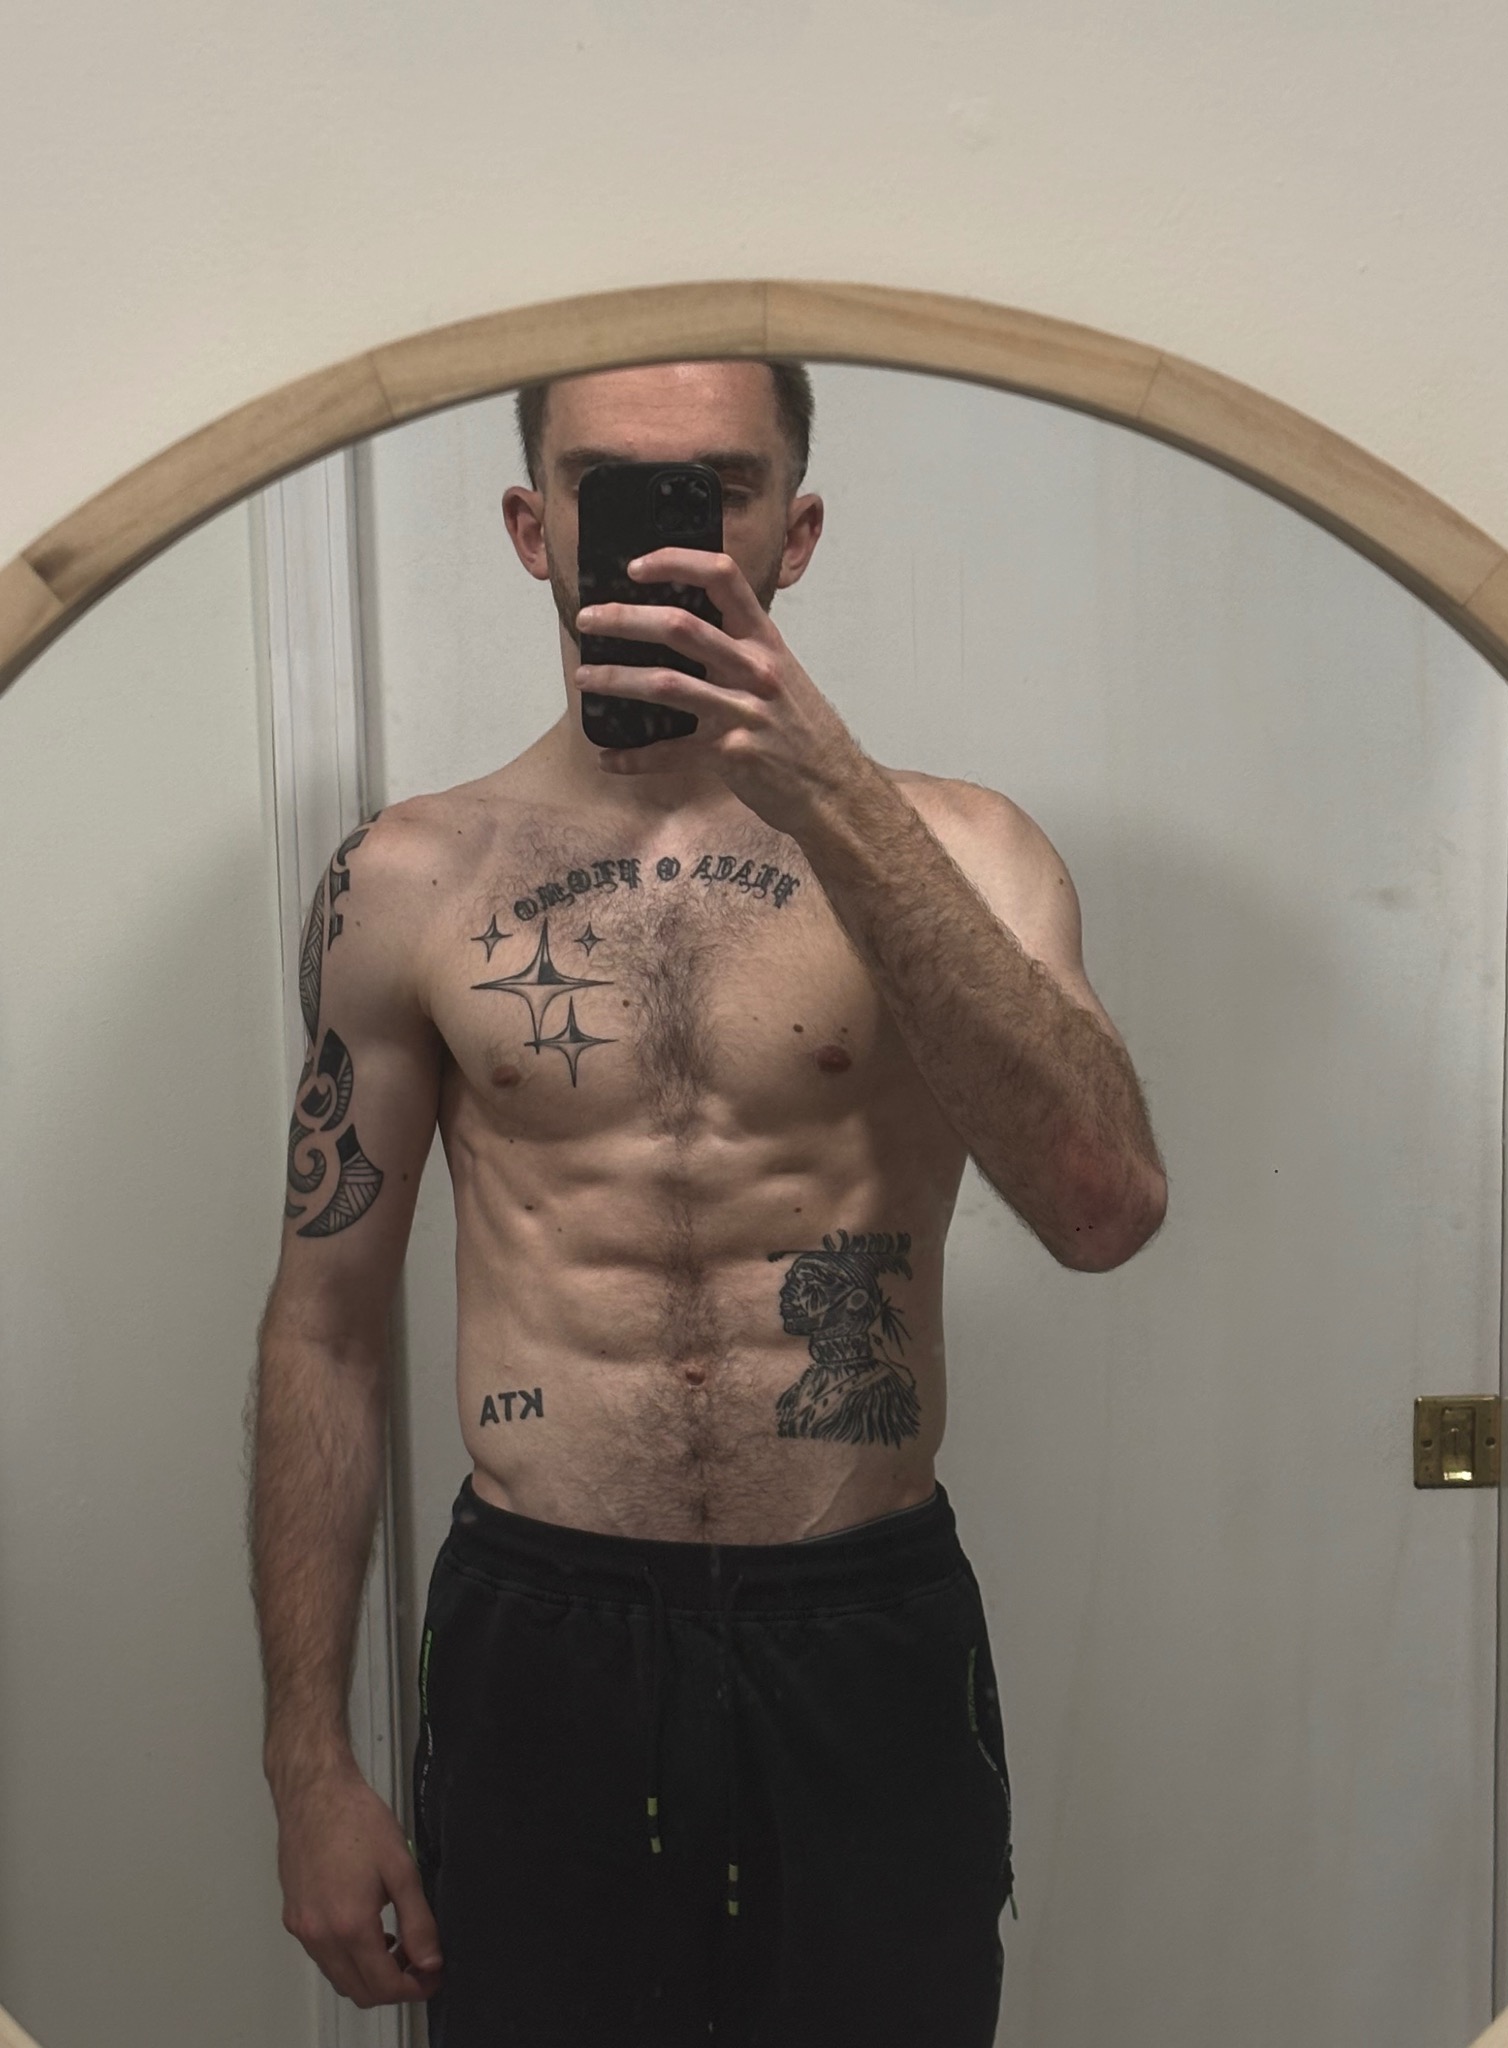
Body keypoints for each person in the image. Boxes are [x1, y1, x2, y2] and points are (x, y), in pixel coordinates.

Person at [247, 356, 1168, 2047]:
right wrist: (307, 1764)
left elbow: (1103, 1209)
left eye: (723, 489)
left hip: (861, 1623)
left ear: (794, 532)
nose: (670, 537)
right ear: (533, 527)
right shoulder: (410, 880)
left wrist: (826, 790)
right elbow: (325, 1333)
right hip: (542, 1630)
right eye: (609, 485)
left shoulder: (966, 852)